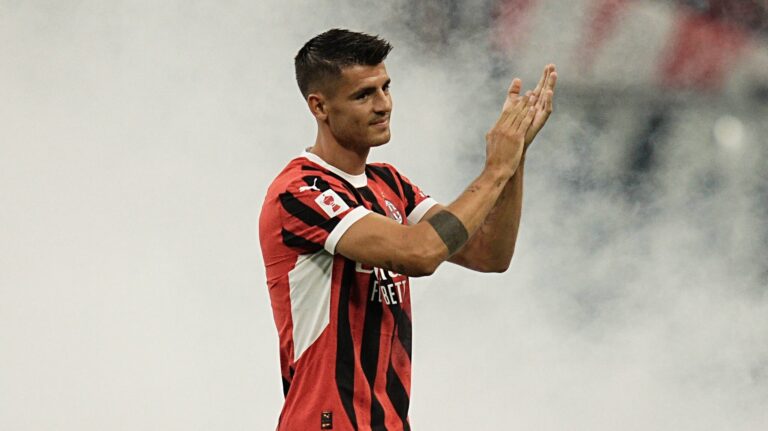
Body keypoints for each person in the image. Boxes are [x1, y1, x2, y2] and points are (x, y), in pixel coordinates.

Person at [259, 28, 556, 431]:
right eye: (364, 95)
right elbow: (421, 253)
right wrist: (495, 169)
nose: (383, 105)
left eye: (386, 88)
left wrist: (514, 159)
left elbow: (489, 254)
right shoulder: (300, 191)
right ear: (320, 107)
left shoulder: (390, 185)